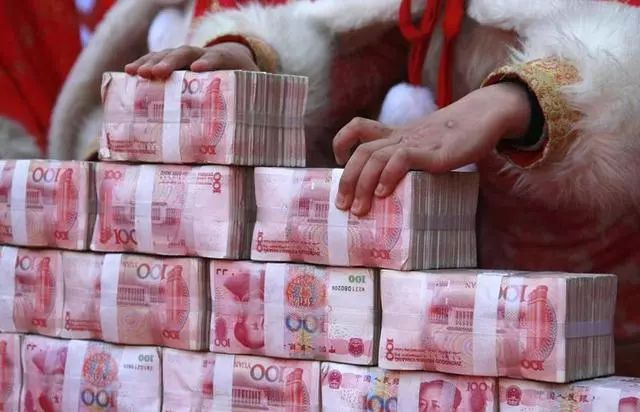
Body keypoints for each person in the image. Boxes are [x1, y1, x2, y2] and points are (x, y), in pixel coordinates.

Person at [119, 0, 640, 374]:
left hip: (607, 310)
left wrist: (524, 99)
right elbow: (357, 41)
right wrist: (254, 60)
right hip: (434, 313)